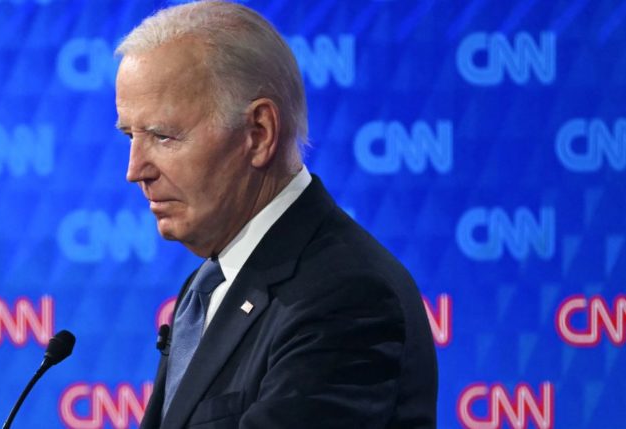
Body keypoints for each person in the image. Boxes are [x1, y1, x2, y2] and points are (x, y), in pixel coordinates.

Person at [113, 1, 437, 428]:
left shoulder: (345, 295)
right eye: (130, 136)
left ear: (259, 133)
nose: (136, 170)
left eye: (163, 135)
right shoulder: (212, 282)